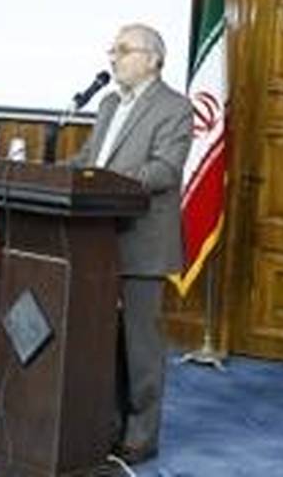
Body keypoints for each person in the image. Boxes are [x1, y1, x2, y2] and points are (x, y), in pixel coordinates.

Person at [71, 23, 193, 465]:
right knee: (101, 341)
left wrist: (106, 183)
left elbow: (165, 170)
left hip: (143, 241)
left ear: (153, 59)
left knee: (141, 347)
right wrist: (49, 172)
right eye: (113, 49)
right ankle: (106, 426)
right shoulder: (108, 104)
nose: (113, 57)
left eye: (123, 50)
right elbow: (88, 160)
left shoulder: (175, 108)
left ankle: (141, 436)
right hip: (96, 240)